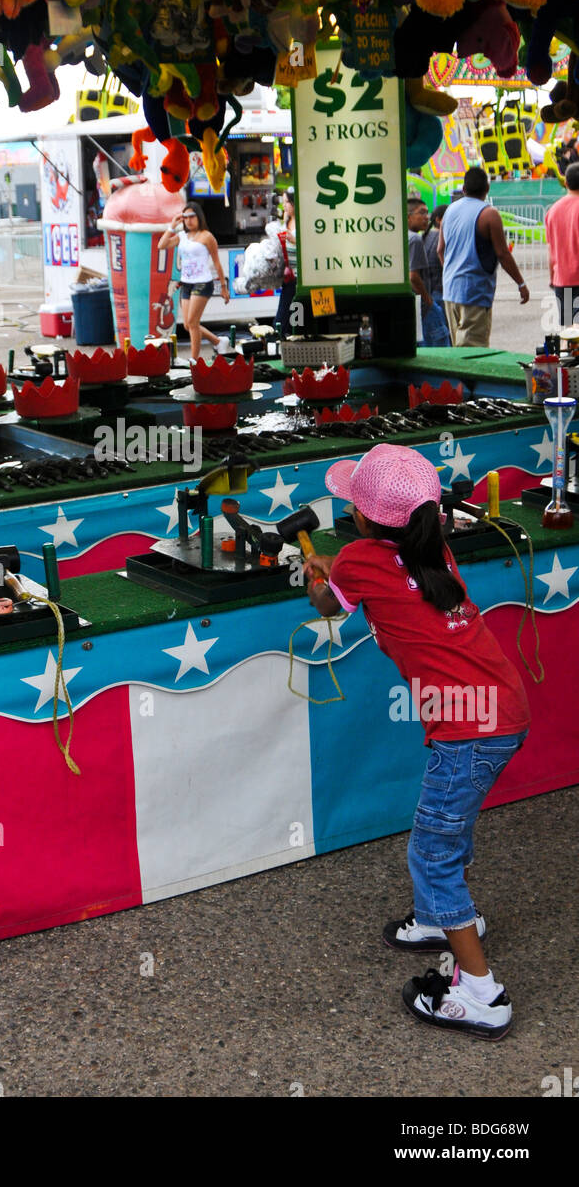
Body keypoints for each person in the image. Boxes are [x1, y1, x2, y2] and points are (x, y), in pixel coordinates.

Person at [303, 443, 530, 1040]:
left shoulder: (353, 559)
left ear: (364, 517)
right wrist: (339, 564)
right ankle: (438, 919)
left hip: (468, 729)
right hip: (501, 710)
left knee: (431, 852)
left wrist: (313, 573)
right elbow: (385, 580)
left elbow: (329, 604)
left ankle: (480, 995)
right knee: (447, 827)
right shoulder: (435, 551)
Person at [438, 167, 529, 346]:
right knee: (473, 354)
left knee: (458, 351)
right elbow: (503, 254)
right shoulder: (489, 214)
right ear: (487, 189)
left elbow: (440, 249)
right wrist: (521, 283)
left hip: (450, 291)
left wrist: (451, 273)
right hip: (474, 293)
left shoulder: (449, 211)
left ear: (464, 189)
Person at [158, 201, 230, 362]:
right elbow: (161, 245)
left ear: (199, 217)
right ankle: (218, 341)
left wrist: (224, 288)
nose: (189, 220)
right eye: (185, 217)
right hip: (186, 283)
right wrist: (172, 226)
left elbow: (217, 263)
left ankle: (194, 359)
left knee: (192, 322)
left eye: (192, 216)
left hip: (203, 282)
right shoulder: (182, 236)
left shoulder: (207, 236)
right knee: (188, 325)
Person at [408, 196, 450, 348]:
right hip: (426, 305)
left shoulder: (405, 237)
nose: (427, 217)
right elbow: (413, 276)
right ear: (408, 216)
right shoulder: (415, 239)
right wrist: (429, 301)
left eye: (427, 213)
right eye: (422, 213)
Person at [544, 160, 579, 327]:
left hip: (562, 280)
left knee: (569, 330)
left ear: (565, 182)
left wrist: (553, 277)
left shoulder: (552, 211)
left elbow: (551, 250)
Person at [275, 190, 297, 337]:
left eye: (286, 202)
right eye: (283, 202)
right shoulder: (286, 221)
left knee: (292, 321)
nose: (284, 206)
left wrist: (294, 240)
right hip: (288, 277)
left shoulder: (305, 221)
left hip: (300, 278)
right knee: (283, 322)